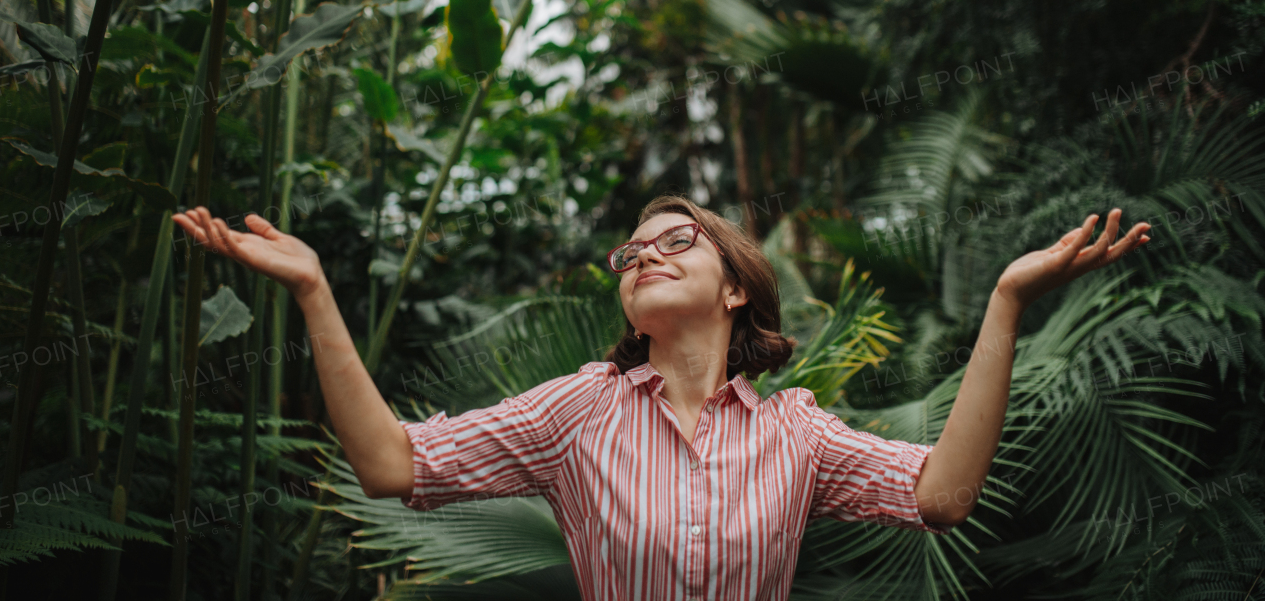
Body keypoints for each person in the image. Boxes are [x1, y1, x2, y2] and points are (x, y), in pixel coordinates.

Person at [172, 194, 1150, 600]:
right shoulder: (579, 409)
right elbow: (390, 465)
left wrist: (1005, 302)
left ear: (735, 289)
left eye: (674, 240)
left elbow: (939, 496)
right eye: (628, 250)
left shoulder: (796, 430)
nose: (641, 251)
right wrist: (312, 288)